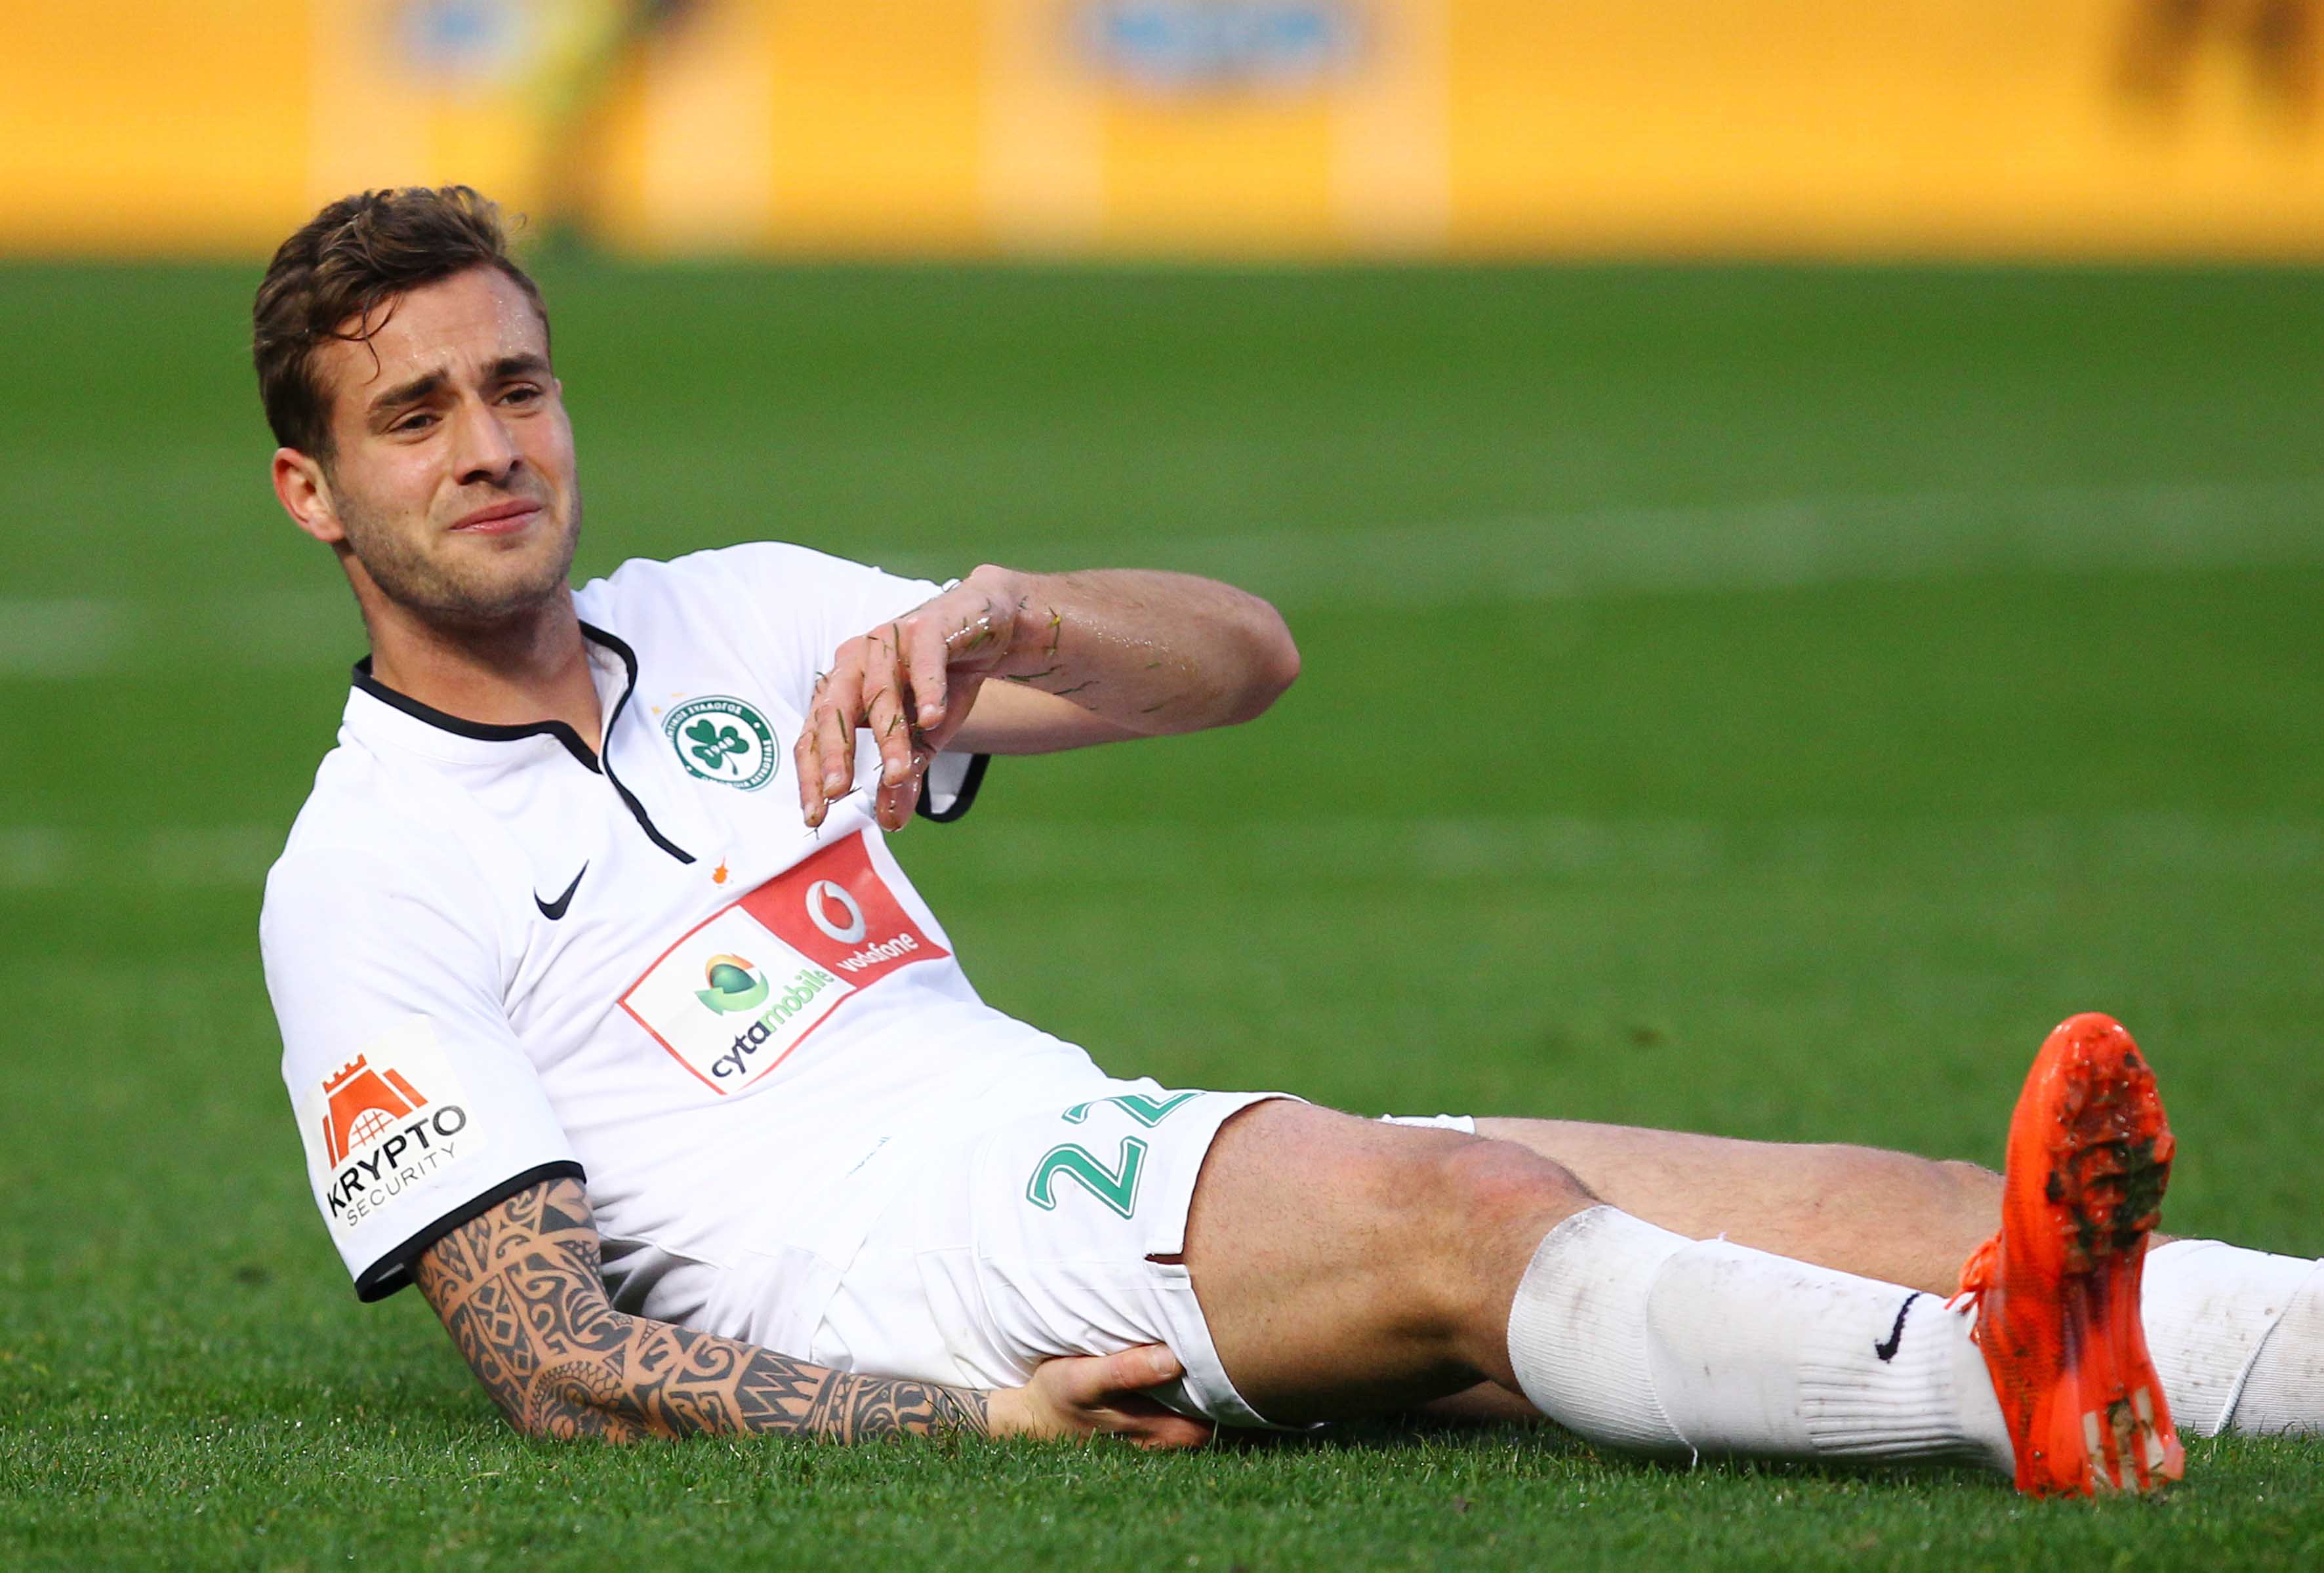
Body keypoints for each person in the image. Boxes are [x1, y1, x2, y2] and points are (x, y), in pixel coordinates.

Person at [255, 186, 2323, 1496]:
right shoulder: (362, 878)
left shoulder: (745, 614)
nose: (494, 446)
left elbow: (1244, 666)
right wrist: (975, 1418)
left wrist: (1017, 618)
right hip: (909, 1262)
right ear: (313, 493)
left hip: (1055, 1133)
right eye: (417, 415)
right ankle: (2007, 1387)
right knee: (1473, 1221)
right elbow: (556, 1360)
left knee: (1895, 1204)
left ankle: (2186, 1336)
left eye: (518, 385)